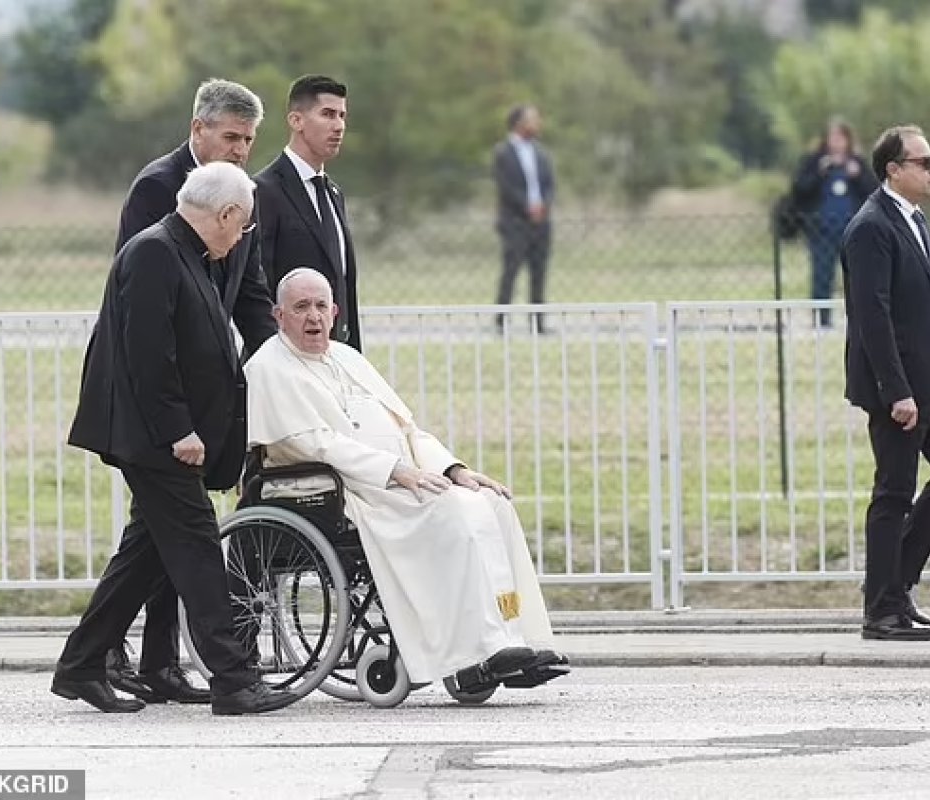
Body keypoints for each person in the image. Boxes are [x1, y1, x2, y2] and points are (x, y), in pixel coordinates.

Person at [244, 268, 569, 688]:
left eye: (321, 306)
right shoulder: (269, 366)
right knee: (454, 510)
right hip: (352, 490)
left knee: (490, 503)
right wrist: (396, 471)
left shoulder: (347, 358)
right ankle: (477, 654)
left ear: (335, 311)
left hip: (403, 480)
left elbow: (408, 430)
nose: (314, 317)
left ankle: (517, 638)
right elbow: (316, 444)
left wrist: (454, 469)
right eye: (302, 307)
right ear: (278, 315)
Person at [52, 162, 293, 716]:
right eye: (242, 226)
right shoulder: (155, 251)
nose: (241, 237)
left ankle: (81, 664)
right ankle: (234, 679)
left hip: (162, 435)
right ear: (227, 213)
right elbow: (147, 355)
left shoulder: (188, 252)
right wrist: (178, 430)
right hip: (153, 438)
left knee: (147, 555)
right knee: (198, 548)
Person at [104, 78, 278, 705]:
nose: (239, 150)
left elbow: (251, 295)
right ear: (199, 128)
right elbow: (146, 306)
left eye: (248, 140)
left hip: (204, 392)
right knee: (175, 532)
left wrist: (283, 362)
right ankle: (152, 661)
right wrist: (172, 415)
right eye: (230, 137)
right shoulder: (160, 188)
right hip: (161, 395)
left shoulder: (241, 197)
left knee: (154, 535)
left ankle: (124, 659)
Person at [841, 124, 930, 642]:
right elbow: (873, 317)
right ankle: (881, 610)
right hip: (901, 383)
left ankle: (894, 582)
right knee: (894, 492)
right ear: (893, 171)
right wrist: (895, 390)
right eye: (924, 162)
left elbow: (921, 296)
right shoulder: (871, 228)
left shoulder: (915, 220)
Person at [255, 75, 362, 351]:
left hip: (333, 356)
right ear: (296, 121)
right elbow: (257, 285)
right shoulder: (263, 191)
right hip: (286, 357)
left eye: (342, 116)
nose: (338, 126)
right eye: (327, 114)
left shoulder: (333, 193)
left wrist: (352, 354)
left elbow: (344, 285)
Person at [791, 118, 878, 327]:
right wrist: (818, 173)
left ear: (848, 140)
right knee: (822, 274)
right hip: (821, 229)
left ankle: (859, 319)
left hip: (853, 230)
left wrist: (857, 175)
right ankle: (822, 319)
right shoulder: (814, 161)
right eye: (833, 137)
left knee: (858, 275)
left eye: (841, 137)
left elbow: (874, 192)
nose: (837, 142)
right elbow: (799, 190)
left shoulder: (857, 163)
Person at [493, 104, 555, 333]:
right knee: (511, 270)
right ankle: (502, 321)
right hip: (515, 221)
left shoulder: (541, 153)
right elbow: (506, 186)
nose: (537, 124)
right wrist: (527, 206)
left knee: (539, 272)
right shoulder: (503, 152)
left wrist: (543, 206)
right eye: (532, 119)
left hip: (541, 222)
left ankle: (538, 322)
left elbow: (549, 184)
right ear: (518, 123)